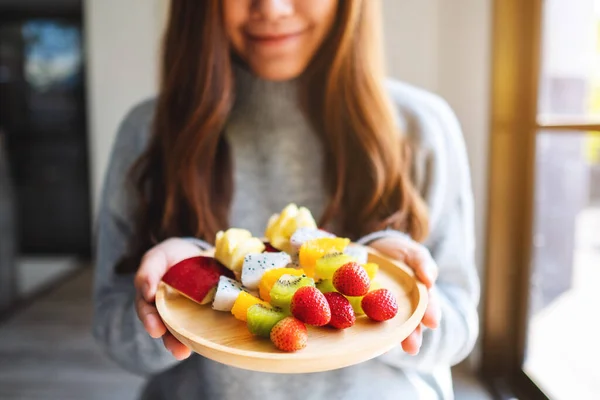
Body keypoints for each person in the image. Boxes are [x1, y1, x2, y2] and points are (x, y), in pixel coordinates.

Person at [93, 1, 479, 399]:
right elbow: (113, 330)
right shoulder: (146, 132)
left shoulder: (422, 126)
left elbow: (458, 328)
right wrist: (173, 290)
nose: (272, 8)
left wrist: (405, 292)